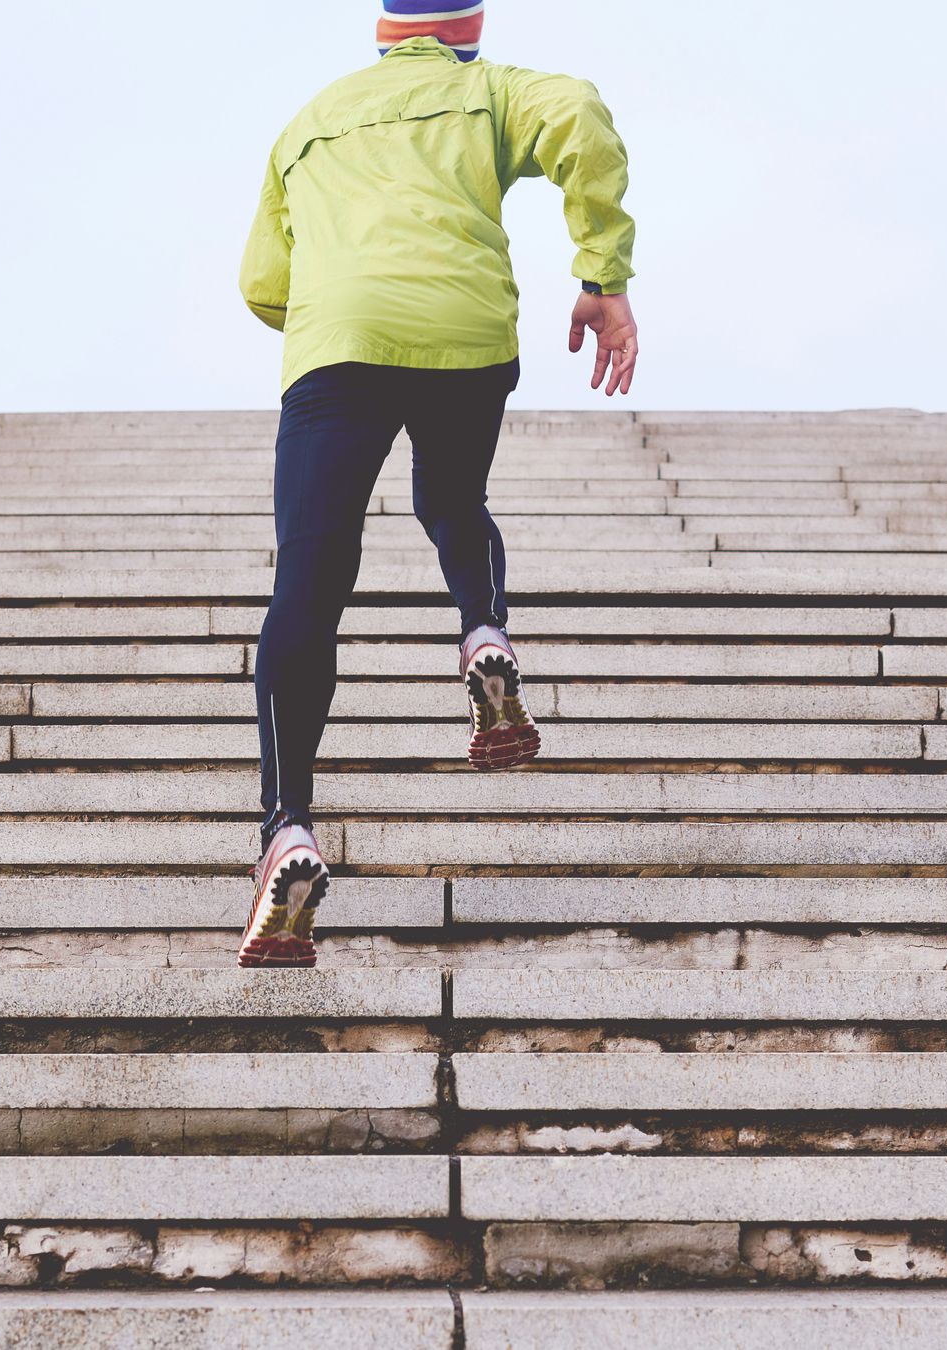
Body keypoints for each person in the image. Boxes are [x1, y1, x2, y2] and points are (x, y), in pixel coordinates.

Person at [236, 0, 637, 967]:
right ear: (469, 30)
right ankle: (482, 633)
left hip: (337, 347)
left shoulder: (310, 120)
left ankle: (287, 826)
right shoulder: (488, 90)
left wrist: (340, 295)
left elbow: (262, 282)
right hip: (463, 333)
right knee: (452, 501)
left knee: (313, 577)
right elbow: (578, 109)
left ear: (383, 33)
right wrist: (602, 273)